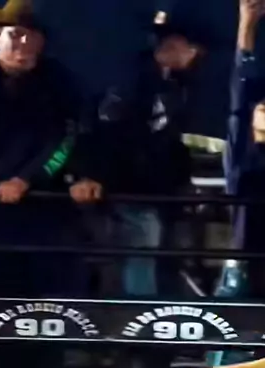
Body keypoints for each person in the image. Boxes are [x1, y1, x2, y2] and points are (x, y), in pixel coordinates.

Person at [69, 9, 210, 299]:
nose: (196, 56)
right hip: (127, 185)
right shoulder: (133, 81)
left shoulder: (176, 86)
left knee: (154, 250)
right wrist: (94, 174)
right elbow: (107, 131)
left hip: (154, 189)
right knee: (141, 244)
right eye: (192, 48)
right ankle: (137, 315)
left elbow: (168, 140)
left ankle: (147, 312)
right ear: (174, 47)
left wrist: (180, 178)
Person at [0, 0, 82, 297]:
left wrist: (26, 179)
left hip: (40, 207)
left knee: (43, 288)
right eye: (17, 34)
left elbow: (65, 141)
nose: (25, 43)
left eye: (33, 36)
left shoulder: (58, 81)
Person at [214, 0, 265, 303]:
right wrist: (246, 25)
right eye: (264, 107)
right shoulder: (241, 161)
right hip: (243, 271)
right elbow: (240, 88)